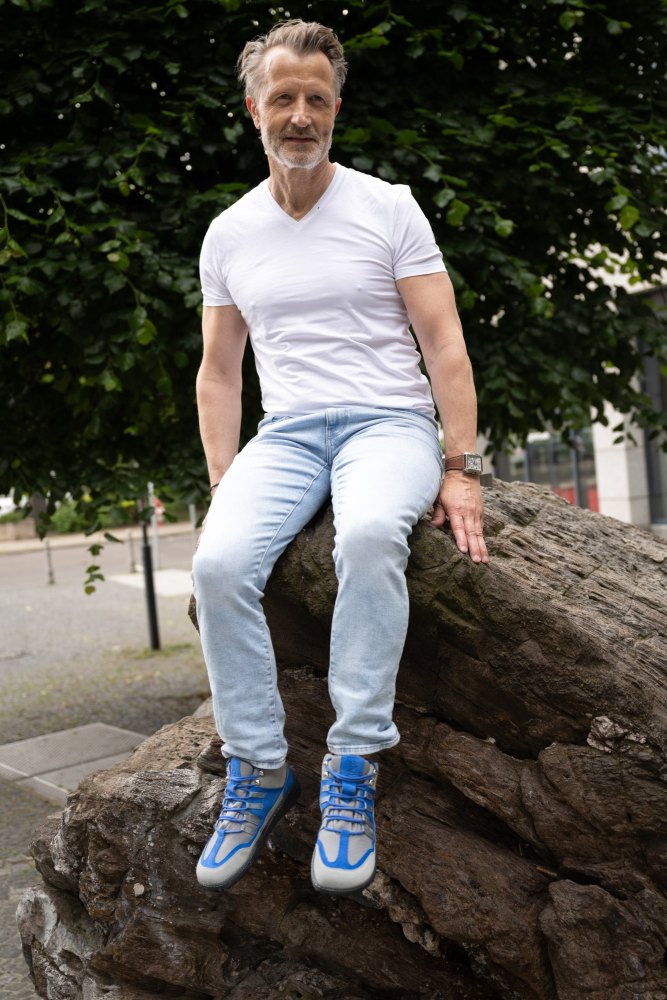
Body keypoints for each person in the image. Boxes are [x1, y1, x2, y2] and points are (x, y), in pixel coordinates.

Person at [191, 18, 488, 898]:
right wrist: (223, 483)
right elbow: (219, 370)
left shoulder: (386, 207)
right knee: (216, 565)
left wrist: (460, 467)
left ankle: (352, 766)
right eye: (283, 97)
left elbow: (444, 344)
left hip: (387, 424)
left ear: (335, 110)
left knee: (366, 539)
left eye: (316, 99)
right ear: (255, 109)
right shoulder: (229, 232)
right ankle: (258, 767)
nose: (300, 115)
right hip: (286, 434)